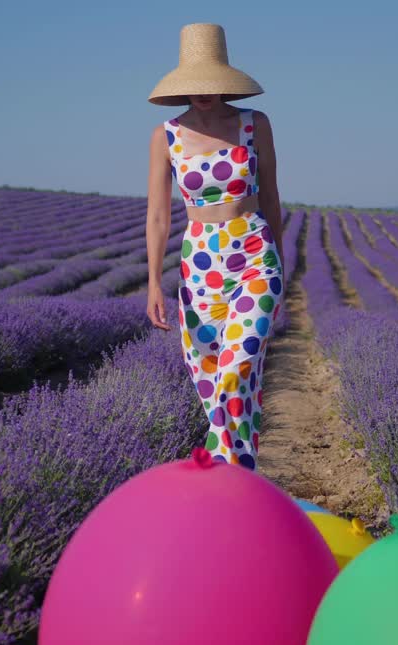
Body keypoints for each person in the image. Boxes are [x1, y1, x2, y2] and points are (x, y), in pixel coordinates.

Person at [144, 22, 285, 470]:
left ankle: (221, 468)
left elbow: (273, 197)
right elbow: (158, 216)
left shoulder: (254, 124)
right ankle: (239, 472)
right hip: (201, 266)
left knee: (237, 368)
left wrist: (280, 262)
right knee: (211, 379)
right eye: (195, 83)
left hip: (254, 257)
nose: (203, 92)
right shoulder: (166, 136)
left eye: (211, 81)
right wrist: (152, 283)